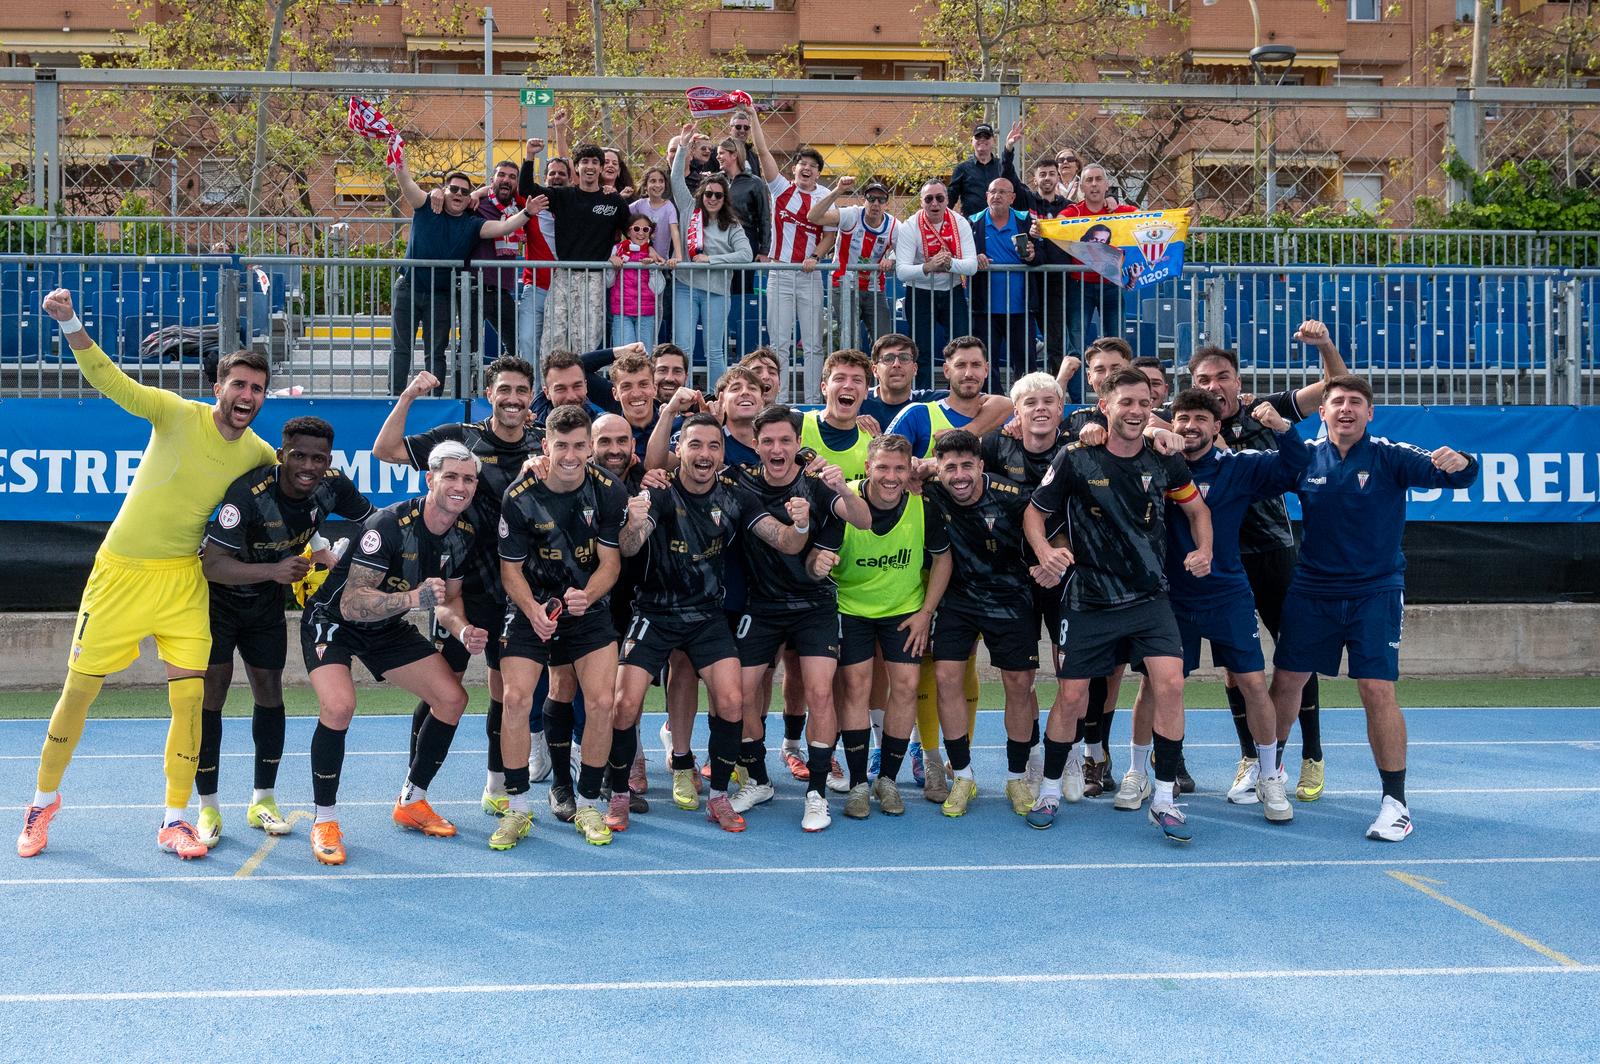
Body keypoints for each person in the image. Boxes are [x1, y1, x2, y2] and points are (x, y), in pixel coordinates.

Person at [17, 289, 279, 861]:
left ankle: (175, 819)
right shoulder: (174, 413)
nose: (247, 395)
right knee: (78, 694)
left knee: (190, 704)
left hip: (183, 583)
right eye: (238, 384)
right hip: (119, 576)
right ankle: (41, 803)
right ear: (217, 387)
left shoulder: (258, 453)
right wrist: (69, 323)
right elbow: (112, 381)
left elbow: (301, 490)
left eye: (257, 389)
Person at [1267, 375, 1479, 843]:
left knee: (1375, 690)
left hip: (1375, 592)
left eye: (1356, 402)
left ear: (1370, 413)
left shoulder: (1390, 454)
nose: (1346, 409)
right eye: (1337, 401)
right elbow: (1243, 471)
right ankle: (1269, 774)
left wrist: (1465, 461)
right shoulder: (1303, 457)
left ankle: (1396, 804)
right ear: (1321, 413)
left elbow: (1457, 474)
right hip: (1312, 591)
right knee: (1285, 683)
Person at [1023, 369, 1212, 841]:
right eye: (1125, 401)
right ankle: (1048, 789)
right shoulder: (1076, 456)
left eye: (1143, 402)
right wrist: (1046, 552)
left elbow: (1197, 510)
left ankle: (1164, 798)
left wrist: (1204, 549)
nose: (1135, 410)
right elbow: (1034, 512)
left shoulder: (1165, 457)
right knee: (1072, 696)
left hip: (1150, 597)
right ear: (1104, 405)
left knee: (1170, 685)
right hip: (1089, 598)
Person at [612, 414, 812, 833]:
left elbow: (785, 541)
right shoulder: (662, 494)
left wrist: (802, 524)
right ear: (680, 448)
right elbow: (630, 548)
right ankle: (617, 794)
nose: (705, 455)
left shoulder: (736, 497)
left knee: (732, 701)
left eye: (713, 446)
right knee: (624, 704)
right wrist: (633, 522)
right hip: (655, 612)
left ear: (722, 453)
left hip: (707, 616)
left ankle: (718, 796)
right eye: (696, 445)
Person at [373, 357, 545, 816]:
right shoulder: (460, 441)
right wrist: (409, 395)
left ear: (532, 397)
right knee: (442, 687)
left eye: (521, 391)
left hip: (520, 589)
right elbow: (385, 450)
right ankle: (414, 788)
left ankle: (495, 787)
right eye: (504, 389)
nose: (513, 398)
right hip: (463, 588)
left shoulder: (541, 444)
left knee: (504, 693)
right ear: (490, 393)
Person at [300, 442, 484, 865]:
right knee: (340, 707)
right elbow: (351, 603)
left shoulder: (462, 533)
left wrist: (463, 630)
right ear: (430, 479)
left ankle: (412, 800)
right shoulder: (388, 524)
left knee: (452, 699)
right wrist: (414, 600)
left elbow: (449, 602)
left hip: (385, 626)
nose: (460, 486)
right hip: (335, 621)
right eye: (450, 477)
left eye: (468, 478)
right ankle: (324, 819)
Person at [1133, 387, 1311, 824]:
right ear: (1171, 422)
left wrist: (1283, 429)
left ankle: (1270, 775)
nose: (1190, 426)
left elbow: (1296, 468)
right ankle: (1140, 772)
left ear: (1217, 426)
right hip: (1169, 598)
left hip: (1228, 594)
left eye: (1199, 419)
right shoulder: (1152, 463)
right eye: (1182, 418)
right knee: (1157, 686)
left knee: (1252, 682)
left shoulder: (1240, 466)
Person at [1186, 326, 1348, 803]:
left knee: (1295, 656)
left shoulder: (1269, 409)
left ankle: (1311, 755)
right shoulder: (1185, 423)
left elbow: (1338, 387)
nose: (1214, 386)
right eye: (1204, 378)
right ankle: (1253, 759)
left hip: (1273, 550)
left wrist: (1324, 346)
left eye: (1223, 377)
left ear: (1238, 381)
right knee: (1237, 667)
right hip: (1218, 560)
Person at [196, 417, 373, 846]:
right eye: (299, 456)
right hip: (217, 604)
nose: (308, 465)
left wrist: (341, 558)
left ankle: (263, 800)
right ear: (282, 455)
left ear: (329, 460)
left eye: (318, 457)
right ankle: (208, 808)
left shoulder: (334, 486)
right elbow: (212, 564)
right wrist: (275, 569)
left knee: (269, 694)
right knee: (211, 697)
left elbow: (376, 522)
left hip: (266, 608)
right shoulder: (249, 494)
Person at [728, 406, 870, 830]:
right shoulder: (742, 483)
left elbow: (864, 519)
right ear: (756, 445)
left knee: (820, 693)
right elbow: (786, 542)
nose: (776, 448)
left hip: (814, 605)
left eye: (785, 440)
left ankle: (817, 793)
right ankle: (757, 779)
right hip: (761, 604)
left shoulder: (817, 484)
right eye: (767, 441)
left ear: (797, 442)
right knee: (738, 695)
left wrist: (843, 488)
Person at [495, 405, 630, 847]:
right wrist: (534, 609)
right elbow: (509, 570)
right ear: (545, 448)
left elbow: (611, 564)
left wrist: (587, 596)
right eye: (561, 447)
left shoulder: (609, 491)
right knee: (515, 699)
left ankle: (589, 804)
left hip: (586, 608)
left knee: (601, 702)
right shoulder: (520, 494)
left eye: (578, 446)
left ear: (590, 448)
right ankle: (516, 809)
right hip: (531, 608)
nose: (570, 456)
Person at [827, 433, 952, 817]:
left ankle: (888, 780)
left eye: (900, 468)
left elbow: (943, 560)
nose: (891, 476)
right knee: (856, 688)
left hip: (904, 609)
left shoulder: (922, 505)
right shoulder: (841, 497)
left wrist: (926, 612)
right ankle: (858, 783)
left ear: (910, 469)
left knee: (906, 686)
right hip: (851, 607)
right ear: (868, 467)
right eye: (882, 467)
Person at [922, 429, 1040, 818]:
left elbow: (1047, 529)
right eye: (950, 466)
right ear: (939, 469)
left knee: (1019, 685)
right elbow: (897, 475)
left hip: (1012, 598)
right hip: (959, 598)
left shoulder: (1013, 497)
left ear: (981, 465)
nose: (959, 474)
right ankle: (964, 777)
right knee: (946, 678)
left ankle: (1016, 777)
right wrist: (917, 468)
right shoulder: (933, 490)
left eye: (967, 465)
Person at [389, 163, 535, 395]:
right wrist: (398, 158)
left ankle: (436, 401)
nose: (458, 194)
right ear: (444, 191)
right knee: (401, 348)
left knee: (436, 351)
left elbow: (505, 226)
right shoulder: (426, 206)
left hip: (442, 294)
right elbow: (406, 182)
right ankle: (394, 398)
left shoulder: (472, 223)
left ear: (470, 199)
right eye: (453, 189)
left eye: (464, 192)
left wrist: (527, 212)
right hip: (408, 287)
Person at [520, 121, 631, 355]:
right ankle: (551, 391)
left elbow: (633, 233)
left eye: (594, 162)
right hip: (563, 276)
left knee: (586, 343)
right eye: (584, 162)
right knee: (554, 341)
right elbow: (526, 188)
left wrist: (616, 255)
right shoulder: (563, 196)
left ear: (601, 168)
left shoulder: (614, 201)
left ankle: (583, 390)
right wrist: (530, 156)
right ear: (577, 168)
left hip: (595, 278)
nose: (589, 166)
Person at [747, 107, 833, 401]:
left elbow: (832, 233)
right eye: (802, 164)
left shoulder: (824, 196)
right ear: (793, 169)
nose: (806, 168)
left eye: (812, 165)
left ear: (819, 173)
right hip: (780, 272)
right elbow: (761, 151)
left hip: (810, 276)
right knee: (779, 343)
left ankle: (811, 402)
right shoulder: (780, 188)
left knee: (813, 345)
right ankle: (778, 400)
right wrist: (753, 117)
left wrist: (817, 257)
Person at [671, 127, 754, 387]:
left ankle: (716, 398)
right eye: (708, 194)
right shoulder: (688, 209)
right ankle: (681, 397)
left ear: (725, 198)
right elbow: (675, 179)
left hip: (717, 291)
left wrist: (712, 260)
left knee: (714, 350)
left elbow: (746, 254)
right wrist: (683, 147)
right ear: (701, 195)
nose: (713, 198)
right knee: (683, 346)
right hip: (685, 286)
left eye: (718, 195)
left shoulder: (731, 224)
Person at [1001, 123, 1073, 369]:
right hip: (1031, 278)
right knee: (1027, 340)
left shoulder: (1068, 207)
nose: (1047, 178)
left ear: (1058, 177)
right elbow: (1008, 177)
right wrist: (1009, 149)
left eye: (1051, 174)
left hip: (1058, 281)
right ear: (1036, 178)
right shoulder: (1027, 200)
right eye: (1042, 174)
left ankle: (1057, 385)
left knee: (1055, 341)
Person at [895, 181, 977, 386]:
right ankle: (923, 398)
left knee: (960, 349)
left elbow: (971, 266)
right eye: (929, 199)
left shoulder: (960, 223)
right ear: (921, 202)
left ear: (947, 200)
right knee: (921, 351)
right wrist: (928, 267)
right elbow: (901, 271)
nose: (935, 203)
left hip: (953, 291)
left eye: (939, 198)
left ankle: (957, 394)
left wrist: (949, 264)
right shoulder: (910, 226)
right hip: (920, 293)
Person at [807, 176, 898, 350]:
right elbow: (813, 216)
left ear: (887, 204)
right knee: (849, 340)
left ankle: (878, 376)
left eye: (881, 199)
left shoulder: (894, 226)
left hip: (874, 288)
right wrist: (838, 190)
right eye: (871, 198)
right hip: (843, 285)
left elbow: (905, 254)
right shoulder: (852, 214)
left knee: (884, 341)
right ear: (864, 200)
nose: (876, 203)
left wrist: (892, 260)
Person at [885, 336, 1013, 459]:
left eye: (976, 365)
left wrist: (957, 437)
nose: (969, 373)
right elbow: (883, 465)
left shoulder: (1005, 419)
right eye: (960, 365)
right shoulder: (917, 415)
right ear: (946, 371)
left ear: (986, 370)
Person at [1059, 164, 1137, 358]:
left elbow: (1147, 219)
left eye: (1098, 179)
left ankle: (1118, 387)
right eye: (1089, 180)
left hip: (1111, 284)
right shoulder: (1073, 212)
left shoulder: (1119, 210)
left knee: (1118, 344)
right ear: (1082, 187)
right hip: (1079, 286)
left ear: (1106, 185)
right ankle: (1077, 390)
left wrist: (1179, 218)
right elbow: (1055, 225)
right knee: (1076, 343)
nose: (1094, 184)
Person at [969, 176, 1037, 391]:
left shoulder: (1026, 220)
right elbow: (960, 254)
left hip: (1021, 307)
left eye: (1003, 192)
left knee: (1025, 363)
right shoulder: (973, 222)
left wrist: (1033, 256)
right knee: (988, 363)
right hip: (984, 308)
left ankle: (1025, 405)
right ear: (986, 196)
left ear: (1012, 198)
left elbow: (1042, 255)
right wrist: (974, 258)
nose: (997, 195)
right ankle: (993, 408)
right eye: (993, 191)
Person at [472, 160, 533, 358]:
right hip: (473, 287)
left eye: (512, 177)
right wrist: (475, 193)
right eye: (502, 175)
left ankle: (500, 383)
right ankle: (467, 388)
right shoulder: (476, 204)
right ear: (492, 180)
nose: (506, 180)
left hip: (501, 289)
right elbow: (453, 197)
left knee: (517, 343)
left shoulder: (519, 209)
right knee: (468, 347)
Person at [518, 156, 570, 365]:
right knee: (528, 340)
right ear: (545, 178)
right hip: (535, 287)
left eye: (562, 174)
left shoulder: (574, 202)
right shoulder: (529, 201)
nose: (557, 177)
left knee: (558, 349)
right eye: (552, 173)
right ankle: (529, 393)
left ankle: (553, 394)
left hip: (566, 289)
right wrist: (478, 192)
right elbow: (499, 188)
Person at [799, 348, 876, 480]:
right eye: (839, 378)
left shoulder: (873, 444)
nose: (848, 385)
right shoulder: (796, 425)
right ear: (824, 388)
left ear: (865, 392)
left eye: (857, 380)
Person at [859, 334, 950, 427]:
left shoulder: (931, 401)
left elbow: (965, 398)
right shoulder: (858, 400)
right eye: (888, 359)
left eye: (904, 358)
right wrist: (850, 421)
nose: (896, 364)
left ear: (914, 369)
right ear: (875, 370)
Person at [608, 213, 667, 348]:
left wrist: (652, 268)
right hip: (622, 313)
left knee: (644, 358)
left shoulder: (653, 254)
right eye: (636, 229)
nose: (641, 233)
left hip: (646, 314)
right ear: (629, 232)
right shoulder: (616, 250)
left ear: (650, 233)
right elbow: (608, 282)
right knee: (625, 357)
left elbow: (658, 289)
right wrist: (611, 263)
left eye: (646, 229)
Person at [947, 121, 1003, 216]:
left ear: (993, 141)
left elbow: (1015, 192)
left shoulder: (1003, 166)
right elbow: (951, 198)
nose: (982, 140)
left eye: (986, 137)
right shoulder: (961, 169)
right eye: (978, 137)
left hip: (1000, 223)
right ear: (972, 141)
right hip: (971, 224)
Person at [629, 166, 682, 265]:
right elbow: (622, 213)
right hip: (640, 260)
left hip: (661, 263)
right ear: (645, 185)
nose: (657, 185)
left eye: (661, 181)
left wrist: (678, 257)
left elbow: (674, 231)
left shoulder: (669, 207)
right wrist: (620, 196)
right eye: (653, 181)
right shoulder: (639, 204)